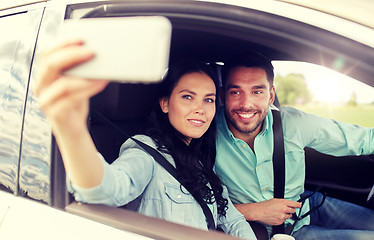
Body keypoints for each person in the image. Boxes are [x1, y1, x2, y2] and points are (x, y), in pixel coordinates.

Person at [33, 39, 257, 240]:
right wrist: (73, 131)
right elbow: (106, 189)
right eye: (188, 97)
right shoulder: (145, 152)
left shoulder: (200, 161)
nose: (200, 109)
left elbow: (233, 220)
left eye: (208, 100)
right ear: (165, 103)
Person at [214, 51, 374, 240]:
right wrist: (251, 211)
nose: (246, 103)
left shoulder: (293, 123)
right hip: (274, 233)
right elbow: (189, 208)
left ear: (271, 95)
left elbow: (363, 139)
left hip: (305, 204)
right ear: (223, 96)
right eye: (235, 92)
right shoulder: (205, 134)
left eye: (257, 92)